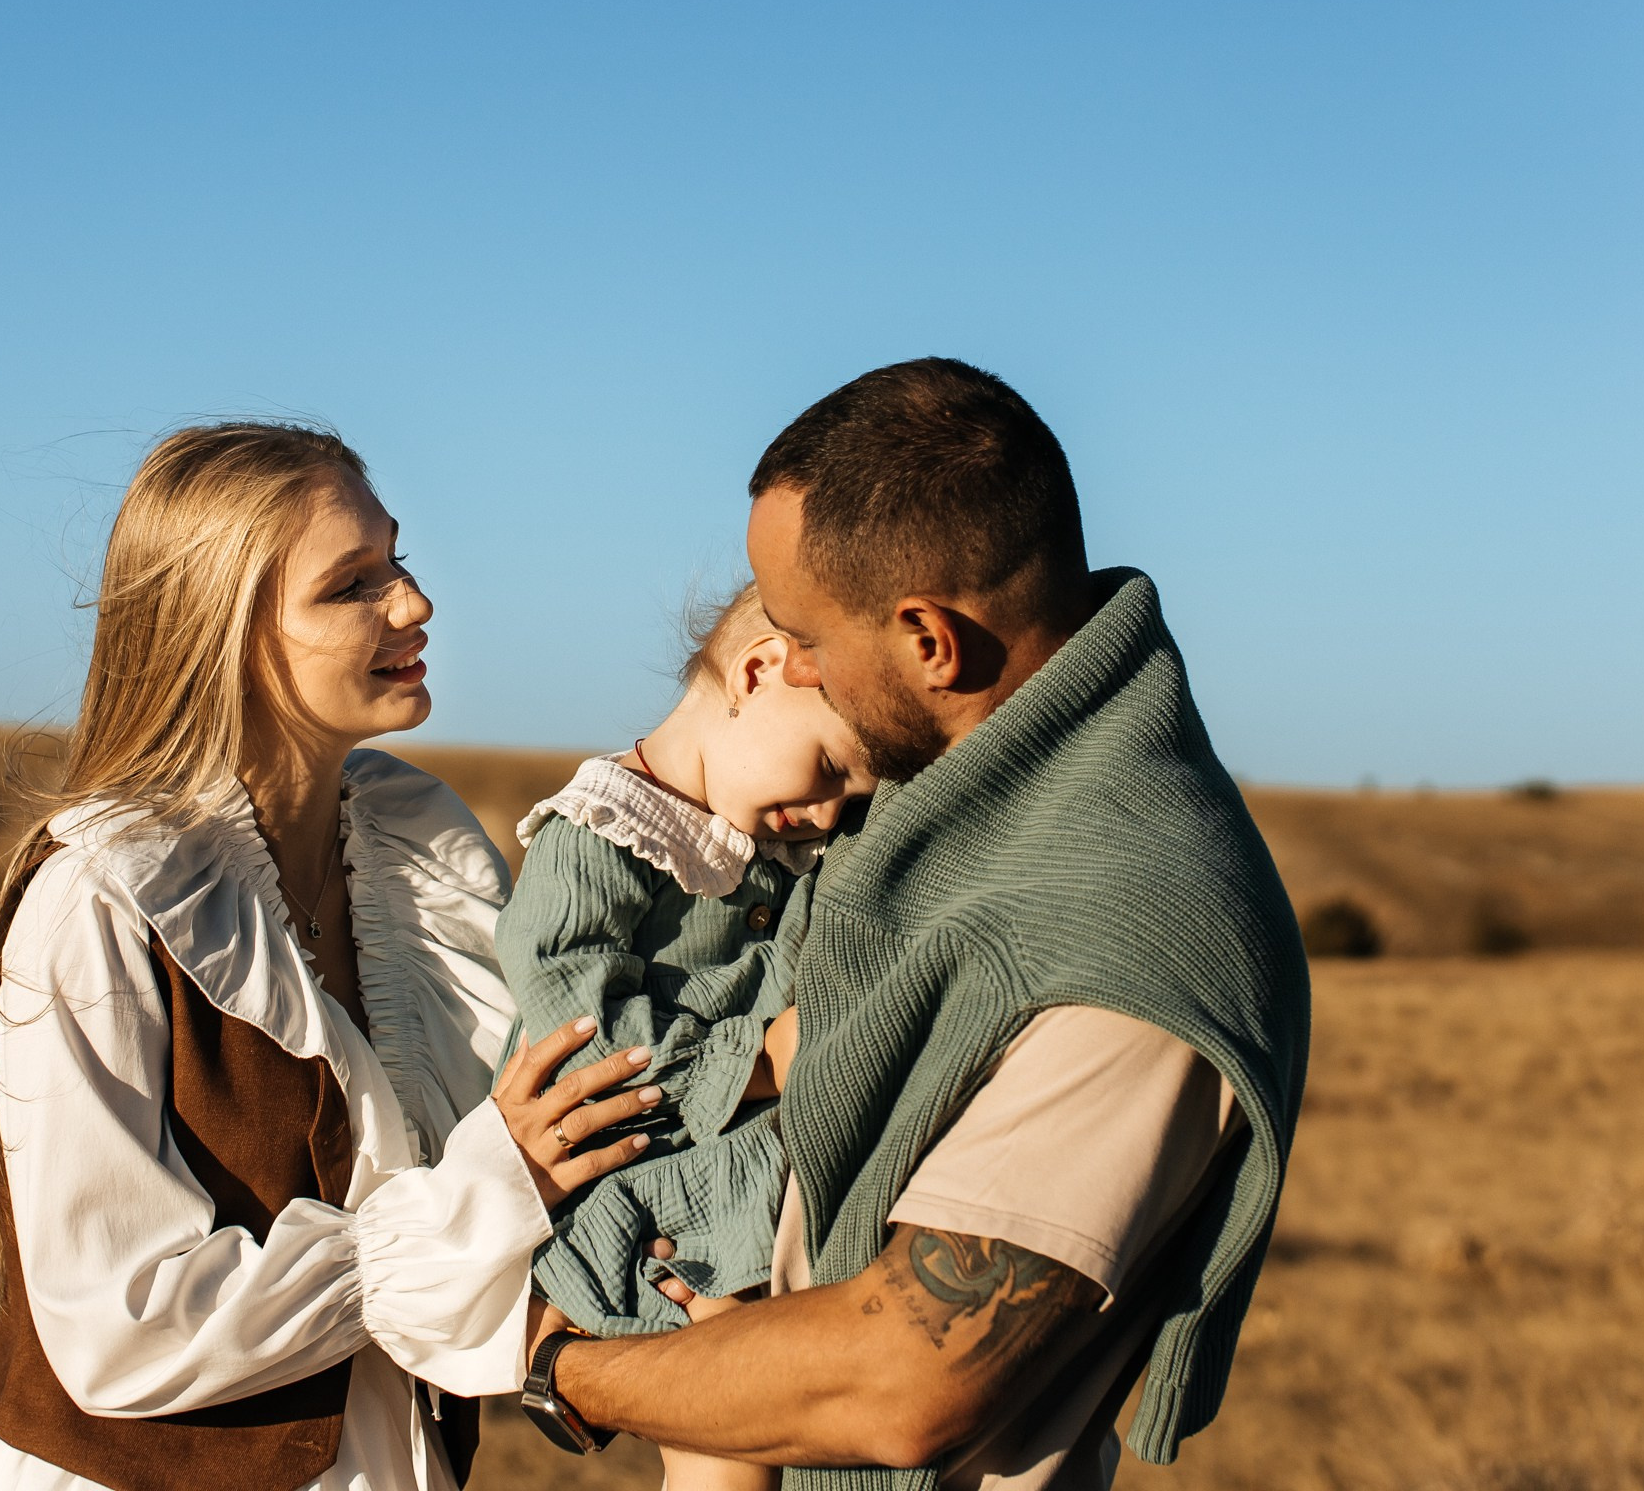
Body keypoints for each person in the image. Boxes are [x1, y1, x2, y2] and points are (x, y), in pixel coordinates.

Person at [516, 360, 1314, 1491]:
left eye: (806, 636)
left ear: (930, 642)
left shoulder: (1133, 935)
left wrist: (567, 1369)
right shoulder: (948, 786)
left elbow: (903, 1380)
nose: (783, 665)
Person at [0, 421, 661, 1491]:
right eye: (351, 585)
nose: (413, 604)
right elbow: (119, 1324)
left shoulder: (422, 850)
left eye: (398, 561)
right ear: (223, 632)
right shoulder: (104, 895)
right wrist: (471, 1203)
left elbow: (516, 1164)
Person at [495, 581, 877, 1491]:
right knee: (725, 1450)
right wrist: (760, 1061)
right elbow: (584, 1044)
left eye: (853, 796)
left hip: (744, 1183)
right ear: (756, 672)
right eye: (829, 767)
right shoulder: (599, 837)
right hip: (642, 1192)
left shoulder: (783, 855)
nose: (827, 814)